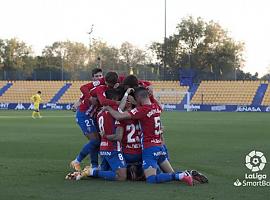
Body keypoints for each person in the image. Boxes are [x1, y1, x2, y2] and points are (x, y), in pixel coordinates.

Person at [103, 87, 193, 185]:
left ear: (138, 98)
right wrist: (137, 103)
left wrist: (108, 108)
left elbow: (119, 116)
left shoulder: (142, 110)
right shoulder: (156, 107)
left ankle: (181, 175)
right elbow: (144, 109)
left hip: (149, 148)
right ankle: (188, 175)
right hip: (160, 147)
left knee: (151, 179)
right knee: (170, 174)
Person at [66, 89, 127, 181]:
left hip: (103, 148)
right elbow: (122, 107)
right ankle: (90, 171)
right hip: (113, 148)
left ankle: (89, 170)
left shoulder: (99, 113)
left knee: (105, 170)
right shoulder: (114, 112)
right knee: (121, 176)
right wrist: (126, 94)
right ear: (114, 99)